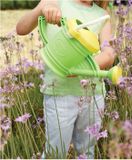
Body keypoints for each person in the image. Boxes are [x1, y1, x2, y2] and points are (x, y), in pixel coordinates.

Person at [16, 0, 116, 159]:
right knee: (55, 153)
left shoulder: (102, 16)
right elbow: (21, 29)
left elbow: (108, 53)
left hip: (93, 95)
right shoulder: (55, 2)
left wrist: (79, 69)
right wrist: (42, 9)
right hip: (60, 94)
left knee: (86, 153)